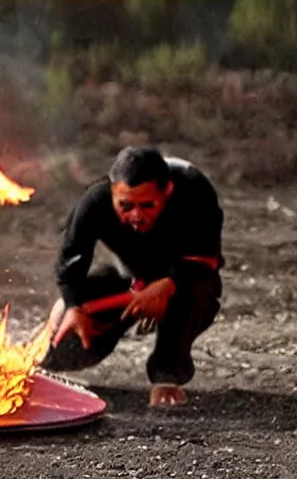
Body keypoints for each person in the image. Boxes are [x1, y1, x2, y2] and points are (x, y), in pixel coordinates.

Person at [44, 146, 224, 406]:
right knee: (66, 335)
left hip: (186, 279)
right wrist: (72, 304)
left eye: (147, 205)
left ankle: (167, 376)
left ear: (167, 192)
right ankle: (45, 364)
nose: (136, 215)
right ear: (113, 192)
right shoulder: (94, 201)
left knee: (195, 292)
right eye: (125, 206)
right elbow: (71, 259)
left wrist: (168, 284)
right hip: (129, 284)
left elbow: (206, 260)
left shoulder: (194, 190)